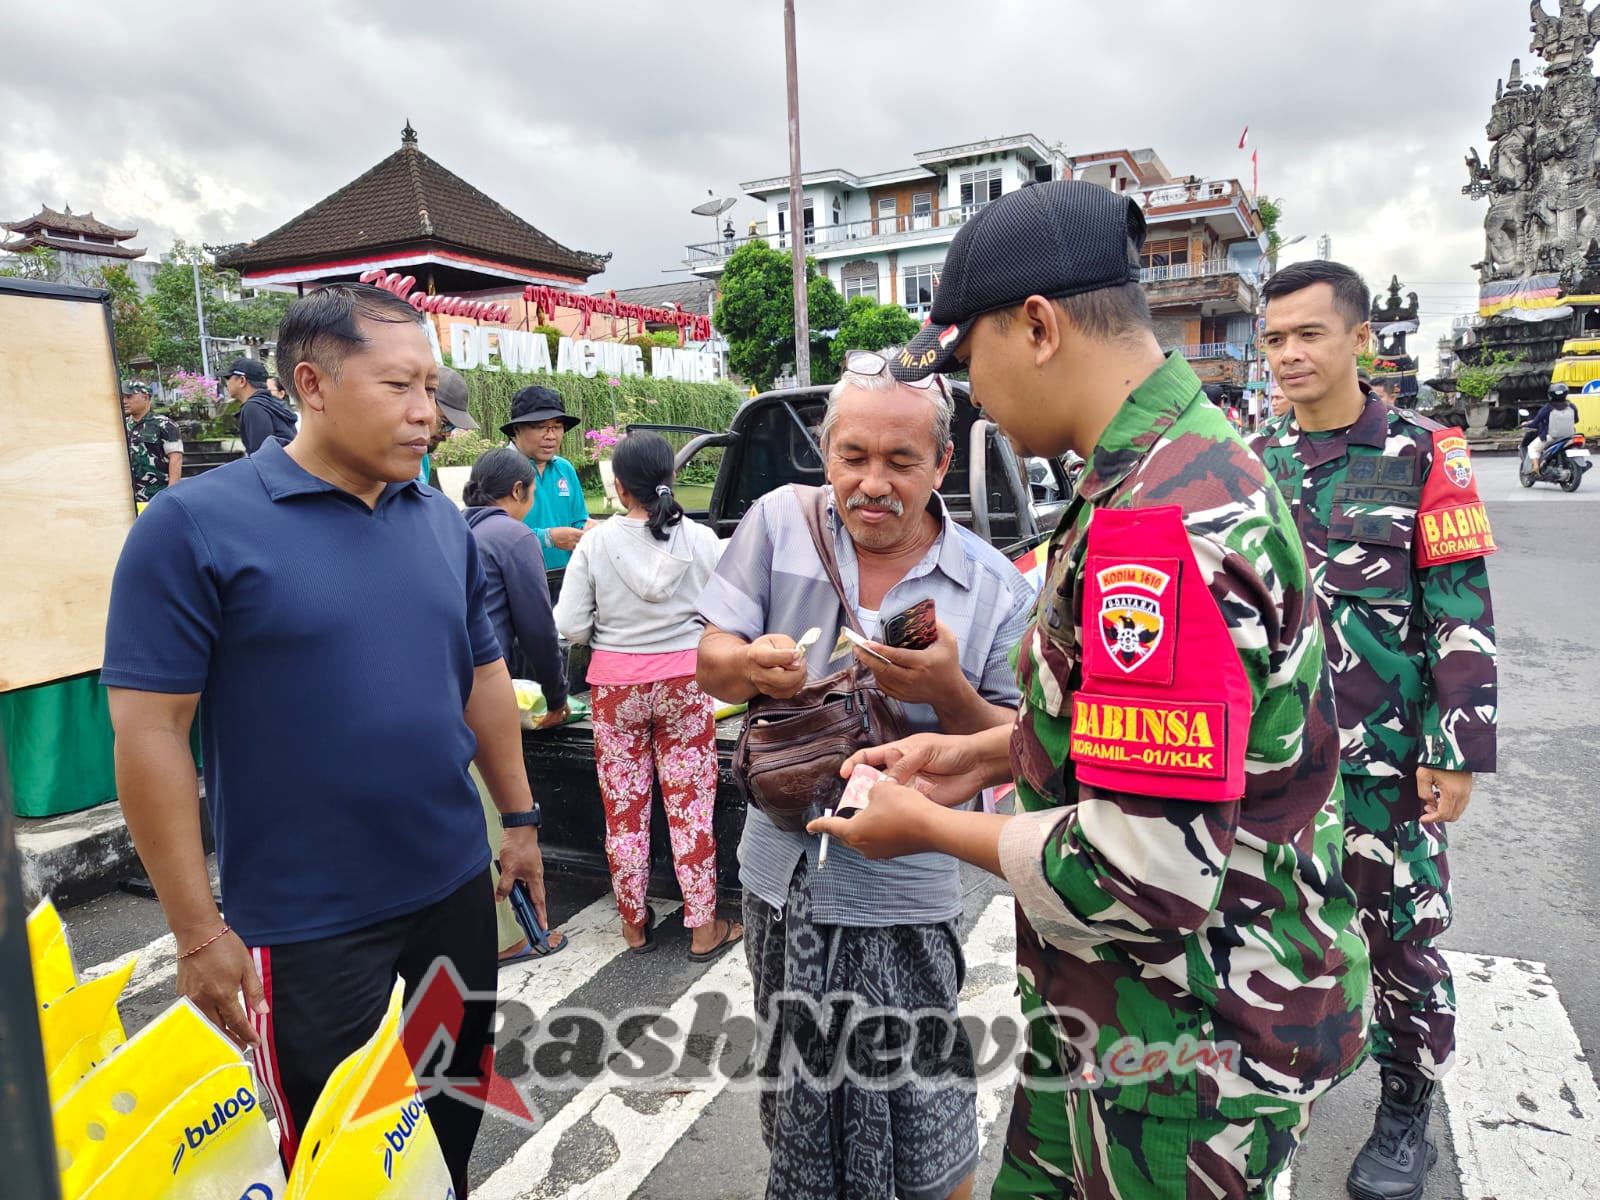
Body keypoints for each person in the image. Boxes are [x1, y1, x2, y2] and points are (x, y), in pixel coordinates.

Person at [813, 181, 1369, 1199]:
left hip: (1177, 1058)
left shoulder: (1159, 523)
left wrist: (924, 830)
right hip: (1119, 1026)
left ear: (1036, 327)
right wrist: (985, 751)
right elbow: (1156, 738)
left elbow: (1140, 869)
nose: (970, 394)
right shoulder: (1163, 467)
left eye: (965, 361)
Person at [101, 283, 550, 1196]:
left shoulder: (439, 523)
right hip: (306, 922)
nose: (429, 413)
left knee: (450, 1124)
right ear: (310, 382)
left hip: (452, 892)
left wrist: (521, 819)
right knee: (338, 1161)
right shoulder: (192, 527)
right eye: (400, 387)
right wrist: (196, 933)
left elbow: (483, 679)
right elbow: (151, 730)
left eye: (432, 386)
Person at [696, 351, 1036, 1200]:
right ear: (825, 448)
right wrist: (749, 664)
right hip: (781, 881)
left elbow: (1024, 744)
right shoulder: (778, 523)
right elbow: (709, 662)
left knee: (928, 1124)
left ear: (942, 465)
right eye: (853, 457)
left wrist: (947, 691)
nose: (872, 483)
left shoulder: (991, 587)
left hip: (905, 893)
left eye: (900, 461)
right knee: (797, 1113)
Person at [1252, 259, 1497, 1200]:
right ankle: (1279, 1089)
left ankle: (1406, 1104)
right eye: (1274, 338)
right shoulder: (1249, 458)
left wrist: (1457, 747)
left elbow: (1461, 611)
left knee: (1401, 935)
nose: (1288, 355)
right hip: (1273, 768)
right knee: (1277, 931)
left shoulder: (1427, 455)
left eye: (1309, 334)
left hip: (1387, 767)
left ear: (1362, 338)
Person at [553, 432, 738, 959]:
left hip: (616, 690)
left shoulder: (595, 543)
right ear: (671, 478)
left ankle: (634, 923)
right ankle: (703, 927)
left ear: (617, 487)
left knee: (625, 810)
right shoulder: (701, 541)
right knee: (690, 807)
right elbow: (727, 607)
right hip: (686, 685)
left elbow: (570, 624)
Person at [463, 446, 571, 966]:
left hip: (442, 688)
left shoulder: (459, 528)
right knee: (496, 813)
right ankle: (509, 935)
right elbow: (538, 626)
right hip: (481, 689)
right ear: (519, 493)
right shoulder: (512, 534)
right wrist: (557, 697)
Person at [500, 385, 596, 570]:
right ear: (517, 429)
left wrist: (589, 528)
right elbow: (492, 533)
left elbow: (578, 519)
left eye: (557, 427)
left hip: (566, 577)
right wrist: (547, 538)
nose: (551, 436)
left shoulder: (564, 469)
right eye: (541, 427)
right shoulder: (500, 469)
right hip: (517, 578)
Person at [122, 380, 183, 504]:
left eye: (129, 397)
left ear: (145, 397)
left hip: (156, 495)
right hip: (129, 498)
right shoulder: (122, 426)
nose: (124, 401)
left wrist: (171, 493)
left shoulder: (164, 424)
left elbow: (175, 458)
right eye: (122, 397)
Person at [227, 357, 297, 453]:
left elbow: (261, 455)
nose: (227, 383)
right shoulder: (274, 403)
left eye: (228, 378)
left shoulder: (253, 408)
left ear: (242, 380)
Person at [1524, 381, 1578, 470]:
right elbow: (1576, 420)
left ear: (1550, 394)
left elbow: (1535, 423)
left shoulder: (1547, 408)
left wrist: (1526, 424)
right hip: (1569, 437)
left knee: (1532, 448)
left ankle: (1535, 468)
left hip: (1551, 437)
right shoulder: (1571, 406)